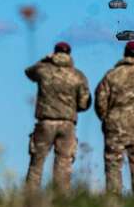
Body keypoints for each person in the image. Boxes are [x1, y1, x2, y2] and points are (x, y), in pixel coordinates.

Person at [24, 42, 91, 192]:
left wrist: (45, 59)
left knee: (37, 163)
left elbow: (29, 72)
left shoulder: (43, 70)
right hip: (68, 124)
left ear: (54, 52)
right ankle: (60, 198)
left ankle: (30, 198)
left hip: (45, 122)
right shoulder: (78, 76)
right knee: (64, 163)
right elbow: (84, 103)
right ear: (69, 54)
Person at [94, 41, 134, 197]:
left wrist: (105, 118)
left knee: (113, 163)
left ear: (124, 53)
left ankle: (114, 200)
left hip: (115, 126)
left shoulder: (111, 75)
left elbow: (100, 99)